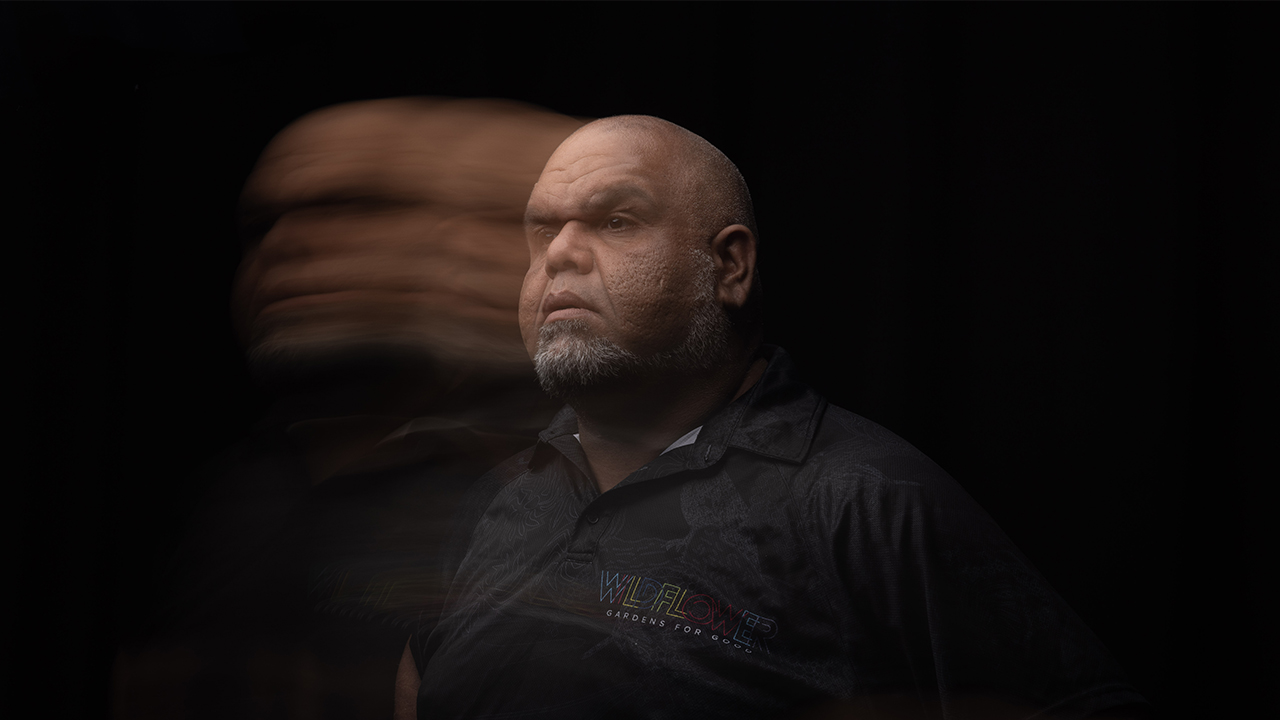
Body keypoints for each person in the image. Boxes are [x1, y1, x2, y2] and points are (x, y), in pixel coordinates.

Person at [396, 116, 1149, 719]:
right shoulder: (496, 494)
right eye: (541, 232)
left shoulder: (865, 499)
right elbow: (419, 684)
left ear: (730, 266)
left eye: (616, 221)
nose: (560, 255)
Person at [112, 98, 584, 720]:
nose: (285, 245)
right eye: (263, 224)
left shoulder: (611, 500)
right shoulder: (246, 493)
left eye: (356, 207)